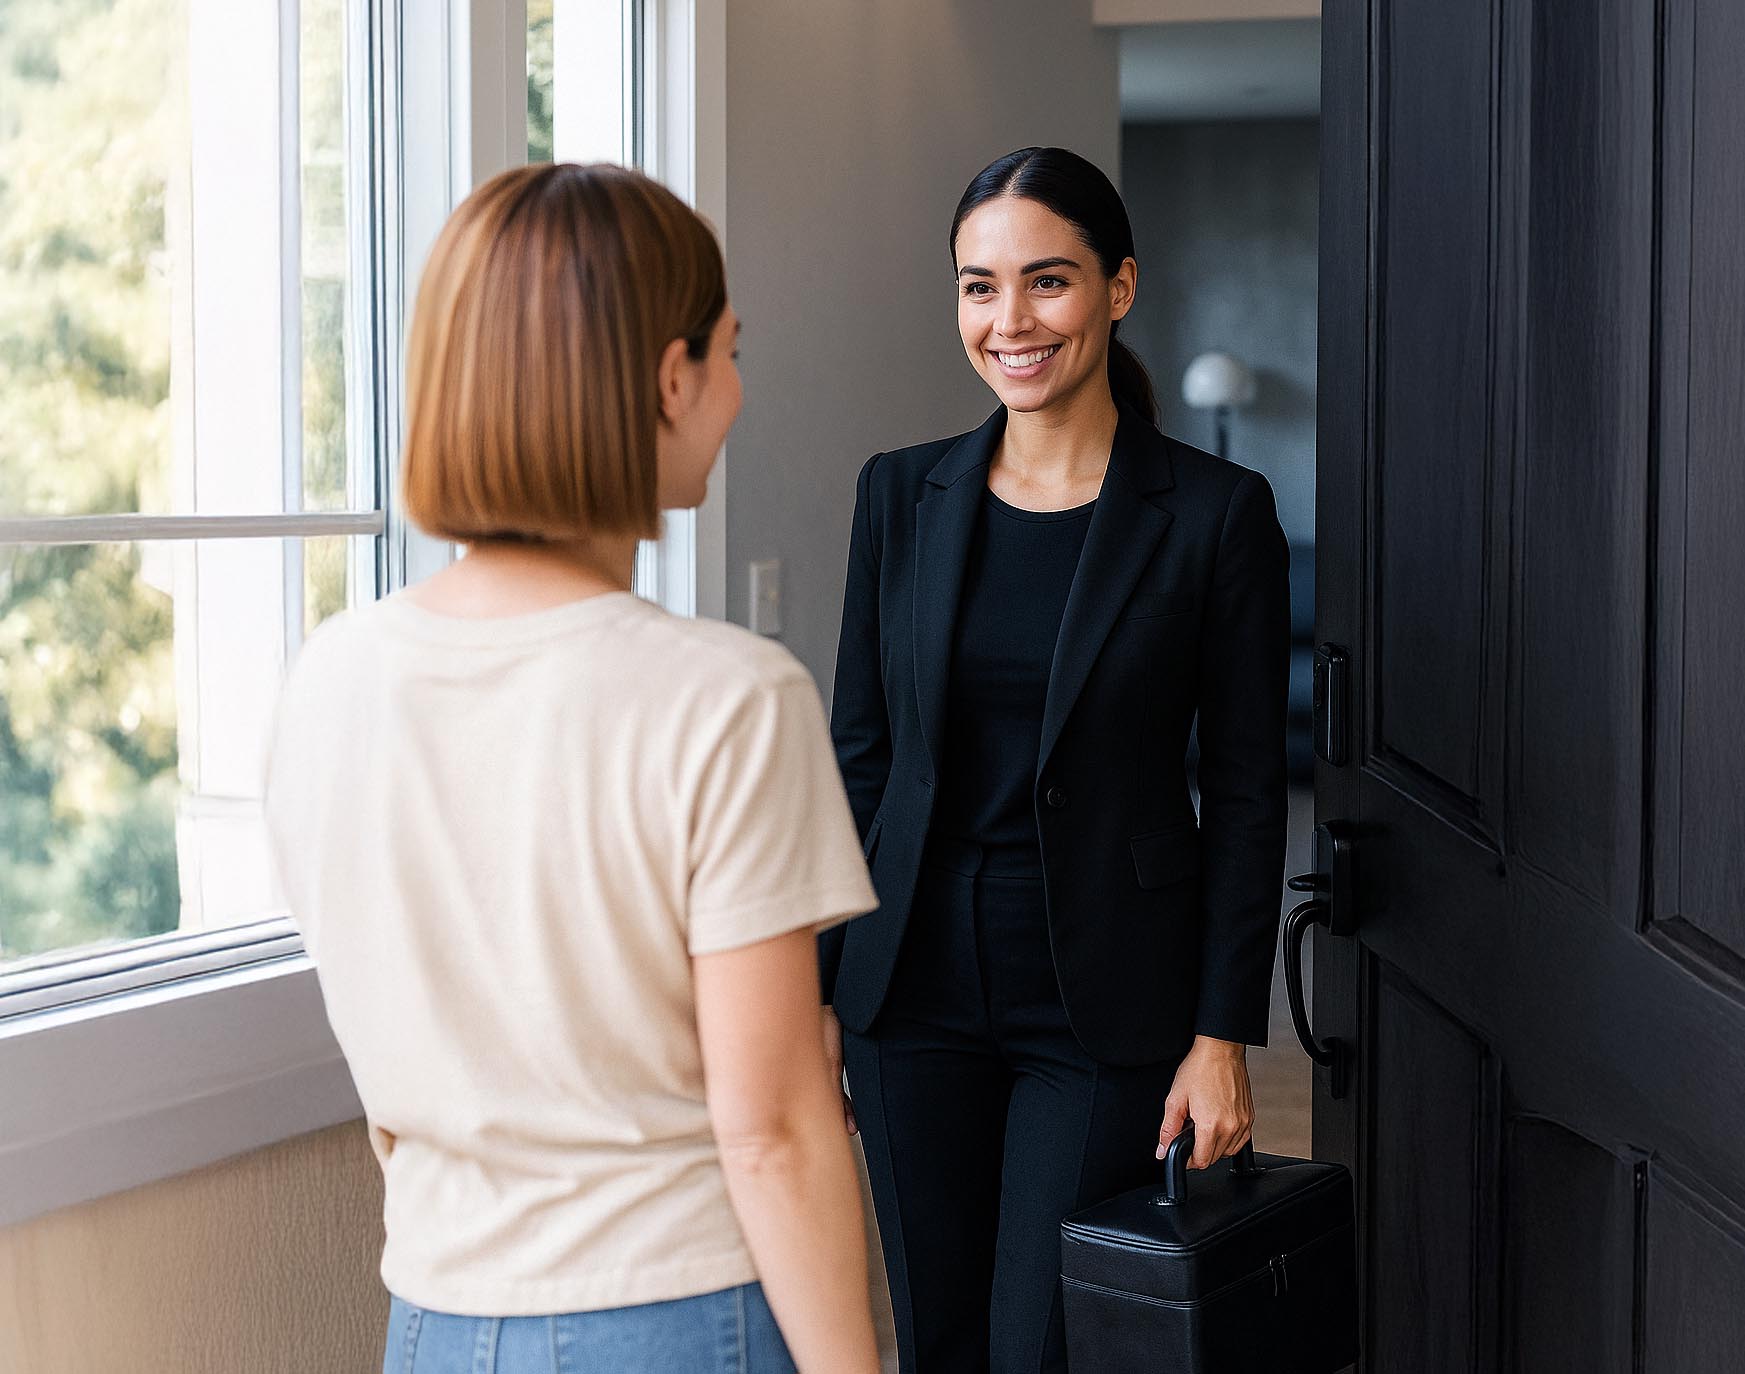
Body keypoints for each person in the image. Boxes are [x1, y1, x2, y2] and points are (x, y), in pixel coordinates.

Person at [263, 162, 882, 1374]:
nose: (738, 391)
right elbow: (770, 1129)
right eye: (729, 353)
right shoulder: (729, 698)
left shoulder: (326, 681)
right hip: (679, 1309)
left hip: (438, 1318)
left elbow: (390, 1065)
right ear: (668, 378)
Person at [819, 145, 1290, 1372]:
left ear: (1119, 287)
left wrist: (1221, 1031)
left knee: (1036, 1344)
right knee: (935, 1336)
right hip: (907, 983)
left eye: (1046, 281)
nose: (1009, 321)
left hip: (1099, 995)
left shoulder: (1212, 513)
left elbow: (1243, 791)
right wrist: (822, 993)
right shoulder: (896, 496)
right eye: (978, 287)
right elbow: (856, 761)